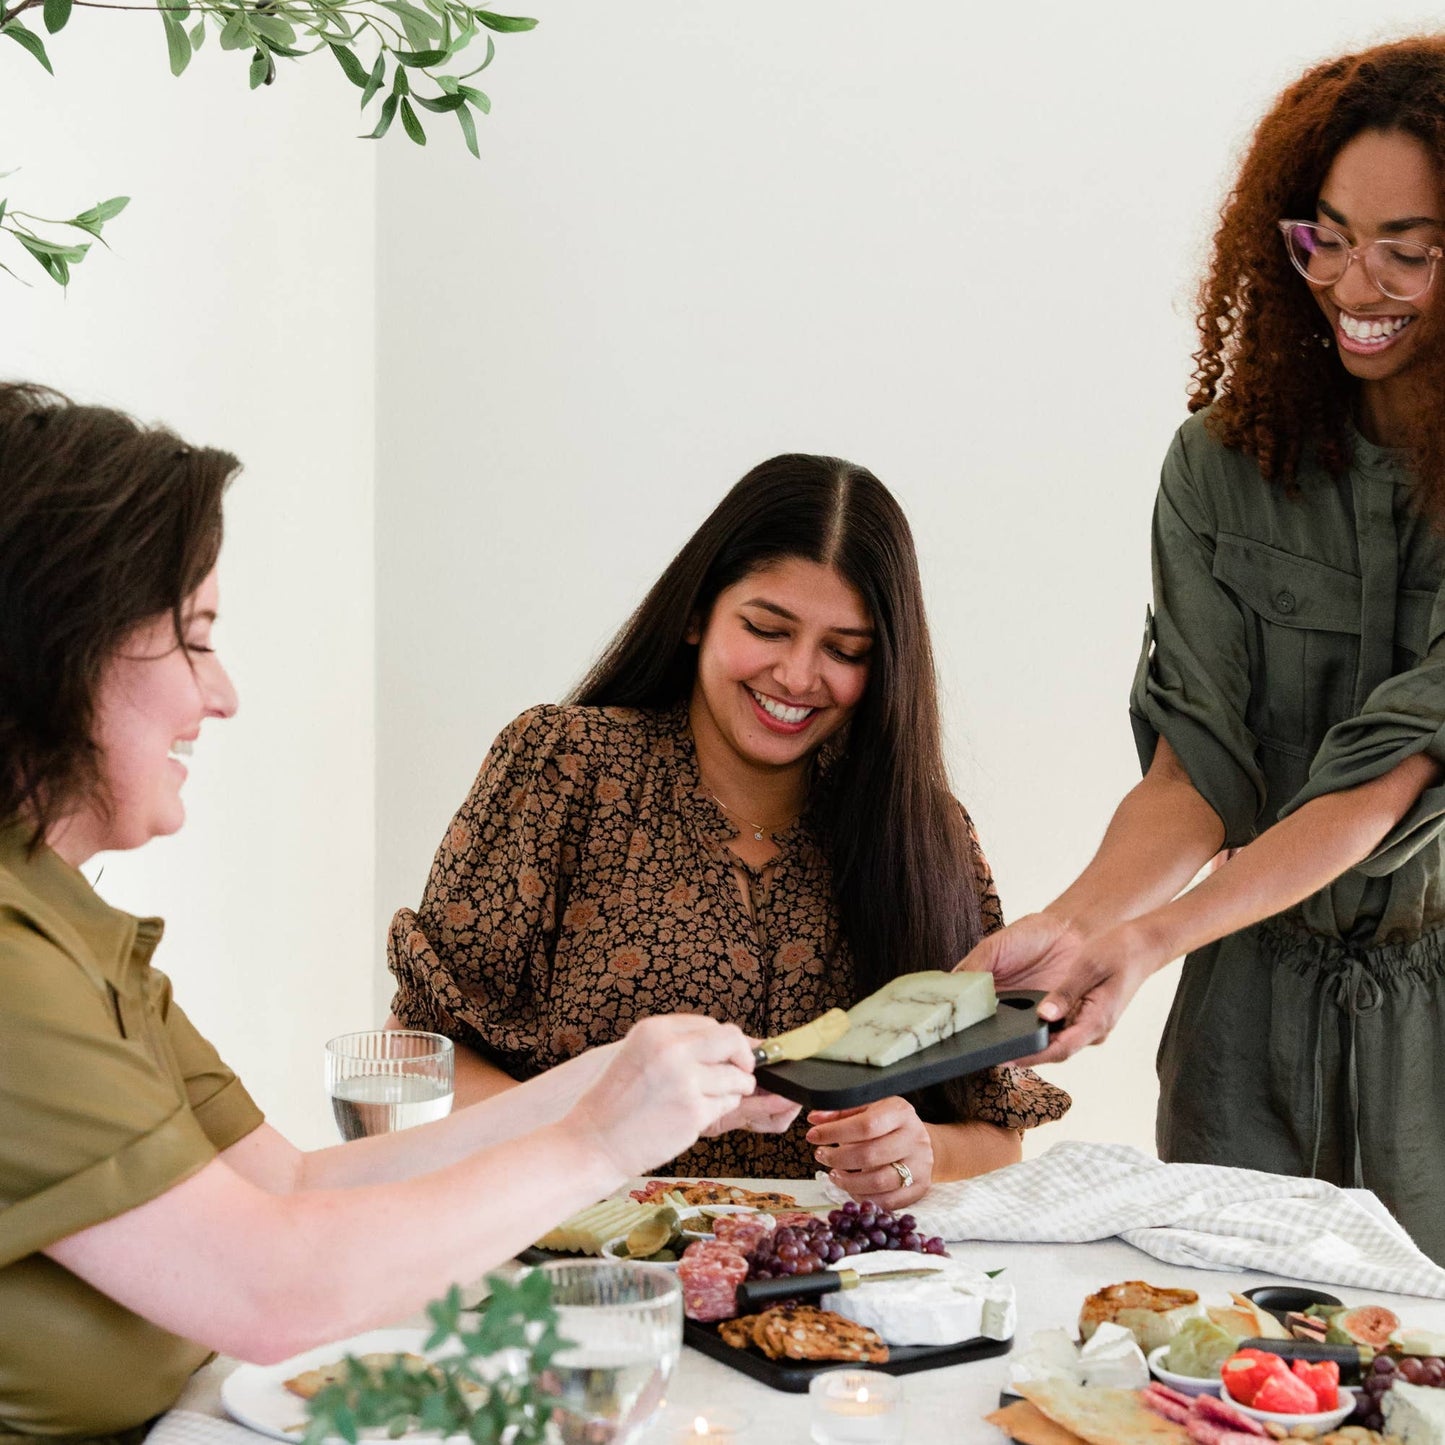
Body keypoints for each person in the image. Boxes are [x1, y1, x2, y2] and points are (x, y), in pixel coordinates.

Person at [0, 382, 766, 1441]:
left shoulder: (62, 916)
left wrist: (605, 1079)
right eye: (192, 636)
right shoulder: (8, 962)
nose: (221, 694)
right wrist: (598, 1139)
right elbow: (274, 1288)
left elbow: (298, 1183)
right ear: (57, 643)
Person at [961, 37, 1445, 1261]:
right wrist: (1072, 931)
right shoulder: (1221, 466)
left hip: (1430, 1029)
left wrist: (1149, 939)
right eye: (1324, 235)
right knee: (1221, 1366)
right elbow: (1197, 772)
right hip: (1246, 1014)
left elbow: (1380, 784)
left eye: (1409, 246)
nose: (1353, 281)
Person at [387, 453, 1070, 1206]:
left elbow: (998, 1129)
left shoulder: (926, 834)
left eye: (845, 651)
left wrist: (918, 1151)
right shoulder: (564, 766)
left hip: (831, 1295)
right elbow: (421, 1056)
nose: (799, 676)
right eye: (766, 628)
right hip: (584, 1276)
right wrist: (606, 1123)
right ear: (695, 614)